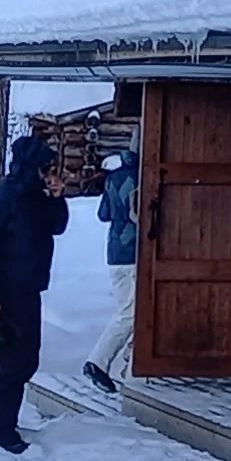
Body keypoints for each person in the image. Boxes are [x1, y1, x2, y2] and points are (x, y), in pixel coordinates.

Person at [0, 128, 67, 452]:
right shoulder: (2, 199)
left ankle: (4, 424)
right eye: (43, 169)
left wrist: (57, 198)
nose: (47, 176)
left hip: (29, 291)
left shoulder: (35, 198)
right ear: (30, 167)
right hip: (5, 295)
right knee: (6, 364)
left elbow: (57, 226)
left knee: (26, 361)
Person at [86, 147, 139, 390]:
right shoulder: (138, 177)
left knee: (135, 311)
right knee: (130, 313)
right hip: (132, 253)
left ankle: (131, 363)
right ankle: (98, 362)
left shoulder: (112, 178)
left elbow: (103, 214)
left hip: (116, 251)